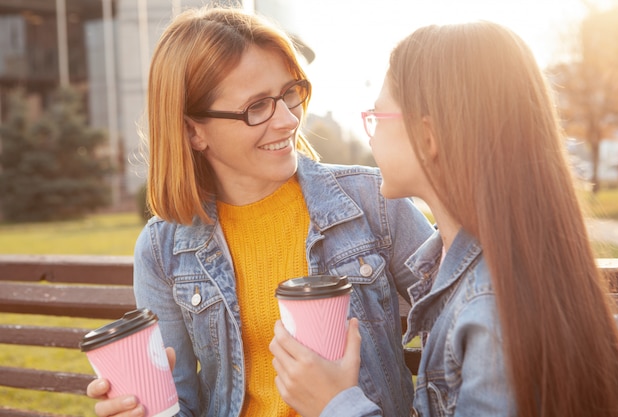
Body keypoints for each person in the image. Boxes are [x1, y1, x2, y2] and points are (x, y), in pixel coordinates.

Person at [85, 6, 435, 417]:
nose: (288, 120)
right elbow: (179, 404)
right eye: (257, 107)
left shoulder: (372, 200)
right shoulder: (162, 250)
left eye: (290, 93)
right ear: (194, 132)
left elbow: (462, 326)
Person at [270, 21, 618, 417]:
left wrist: (334, 404)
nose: (369, 134)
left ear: (428, 136)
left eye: (377, 116)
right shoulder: (492, 266)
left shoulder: (490, 313)